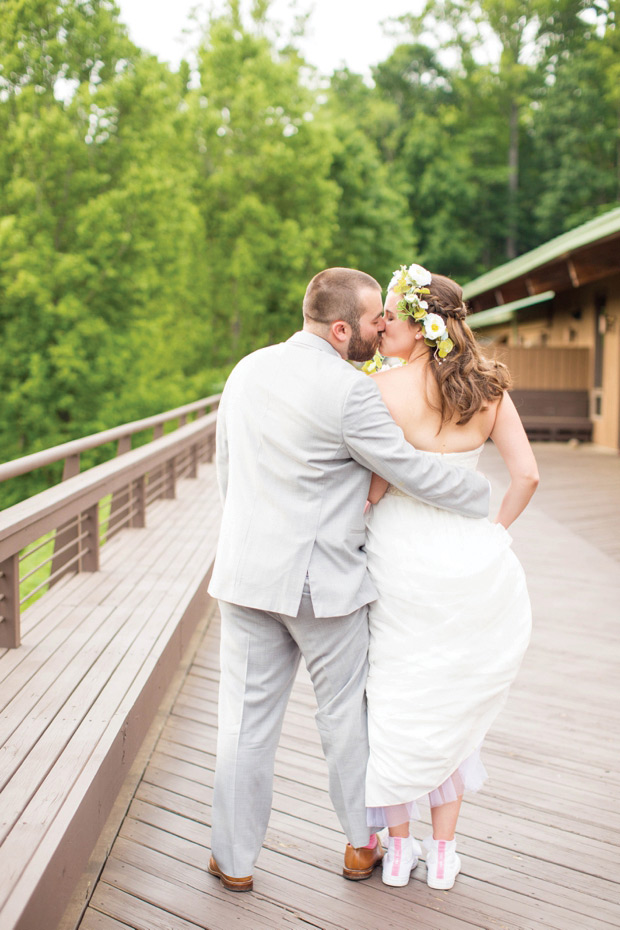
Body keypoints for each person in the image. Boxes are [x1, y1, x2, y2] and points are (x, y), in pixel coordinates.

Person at [206, 267, 492, 892]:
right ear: (342, 329)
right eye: (371, 321)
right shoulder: (350, 392)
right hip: (323, 589)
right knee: (344, 720)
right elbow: (408, 469)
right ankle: (362, 846)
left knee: (243, 724)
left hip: (245, 575)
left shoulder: (246, 371)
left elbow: (226, 470)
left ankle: (233, 860)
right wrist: (478, 494)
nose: (379, 328)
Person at [364, 263, 538, 891]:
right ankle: (443, 855)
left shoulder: (383, 389)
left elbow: (376, 487)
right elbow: (527, 476)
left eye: (391, 311)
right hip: (468, 560)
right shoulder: (488, 389)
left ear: (418, 321)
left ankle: (400, 849)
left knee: (396, 697)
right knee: (451, 700)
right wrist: (496, 532)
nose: (383, 321)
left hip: (399, 559)